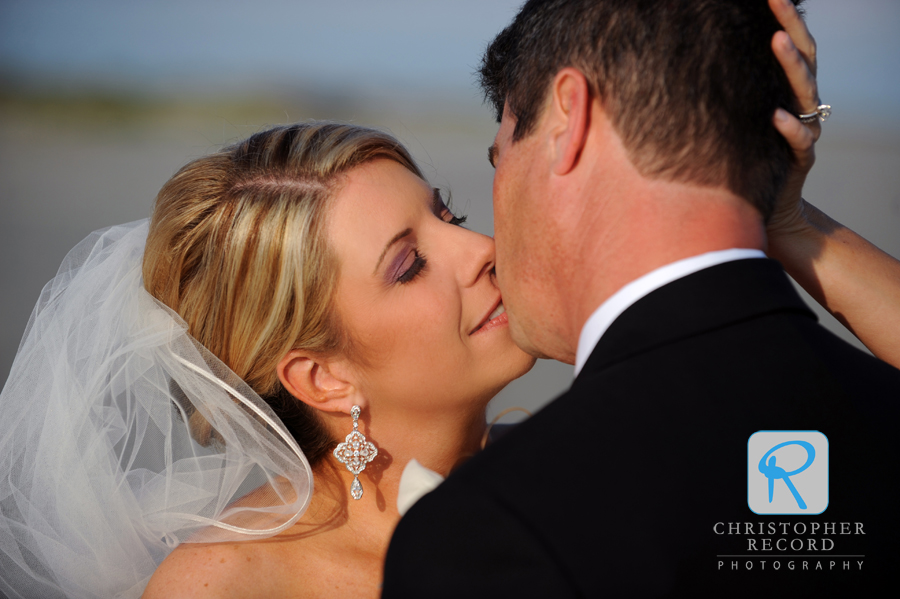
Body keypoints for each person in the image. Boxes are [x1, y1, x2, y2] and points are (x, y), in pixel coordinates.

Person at [0, 5, 896, 599]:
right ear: (320, 373)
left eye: (448, 213)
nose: (477, 251)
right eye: (407, 265)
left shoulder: (583, 472)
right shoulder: (228, 581)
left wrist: (782, 219)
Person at [381, 0, 900, 597]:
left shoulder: (495, 530)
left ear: (567, 118)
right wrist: (780, 211)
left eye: (501, 156)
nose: (485, 247)